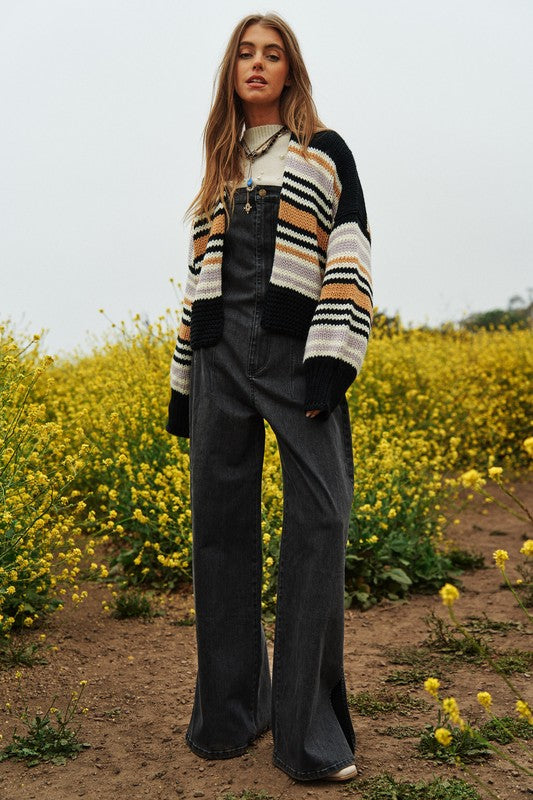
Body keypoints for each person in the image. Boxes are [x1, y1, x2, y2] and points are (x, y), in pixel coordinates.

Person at [166, 12, 373, 783]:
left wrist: (329, 366)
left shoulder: (322, 151)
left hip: (294, 357)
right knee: (219, 536)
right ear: (232, 71)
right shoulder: (220, 168)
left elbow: (349, 255)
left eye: (272, 54)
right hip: (218, 359)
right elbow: (198, 287)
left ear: (290, 70)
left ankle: (307, 736)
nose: (257, 64)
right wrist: (184, 387)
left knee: (321, 520)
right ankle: (229, 715)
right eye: (245, 54)